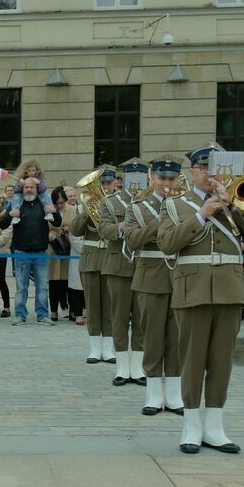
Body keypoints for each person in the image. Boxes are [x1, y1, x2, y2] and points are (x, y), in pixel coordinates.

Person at [157, 144, 244, 453]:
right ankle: (191, 424)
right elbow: (167, 243)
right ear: (192, 171)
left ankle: (215, 425)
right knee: (192, 359)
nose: (210, 174)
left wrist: (233, 206)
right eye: (204, 168)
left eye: (215, 168)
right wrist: (202, 215)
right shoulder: (175, 204)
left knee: (221, 360)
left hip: (230, 290)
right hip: (192, 289)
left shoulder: (238, 201)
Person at [124, 156, 185, 415]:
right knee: (151, 337)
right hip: (150, 278)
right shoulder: (137, 207)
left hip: (182, 277)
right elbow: (133, 240)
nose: (167, 184)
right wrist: (162, 221)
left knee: (177, 338)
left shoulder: (187, 205)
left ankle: (173, 395)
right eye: (162, 178)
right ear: (152, 178)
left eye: (172, 179)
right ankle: (152, 394)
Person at [99, 160, 147, 384]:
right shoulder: (110, 202)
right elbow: (103, 229)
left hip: (145, 266)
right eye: (130, 177)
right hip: (118, 266)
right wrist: (120, 227)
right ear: (122, 180)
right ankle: (121, 367)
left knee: (142, 319)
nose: (136, 182)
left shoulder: (153, 203)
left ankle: (137, 367)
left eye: (141, 177)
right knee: (118, 317)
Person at [70, 167, 116, 363]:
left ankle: (109, 348)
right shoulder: (84, 205)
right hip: (90, 259)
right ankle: (95, 348)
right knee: (93, 306)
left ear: (115, 184)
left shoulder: (120, 204)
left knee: (110, 306)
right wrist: (87, 210)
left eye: (108, 183)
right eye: (102, 183)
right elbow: (76, 230)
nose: (105, 187)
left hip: (110, 258)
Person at [1, 176, 60, 326]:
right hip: (21, 252)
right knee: (21, 287)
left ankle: (42, 315)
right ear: (22, 189)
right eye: (26, 187)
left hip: (41, 252)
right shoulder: (16, 203)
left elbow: (58, 222)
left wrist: (54, 211)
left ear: (36, 189)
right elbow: (2, 225)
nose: (29, 189)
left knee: (42, 286)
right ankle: (20, 315)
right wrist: (9, 215)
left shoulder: (43, 202)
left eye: (31, 187)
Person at [48, 187, 72, 320]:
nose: (60, 205)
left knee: (65, 279)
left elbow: (76, 226)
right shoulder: (49, 210)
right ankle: (53, 310)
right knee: (53, 280)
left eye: (62, 202)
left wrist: (69, 229)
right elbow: (45, 228)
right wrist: (51, 235)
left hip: (67, 247)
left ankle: (65, 306)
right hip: (53, 247)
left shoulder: (72, 210)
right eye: (57, 203)